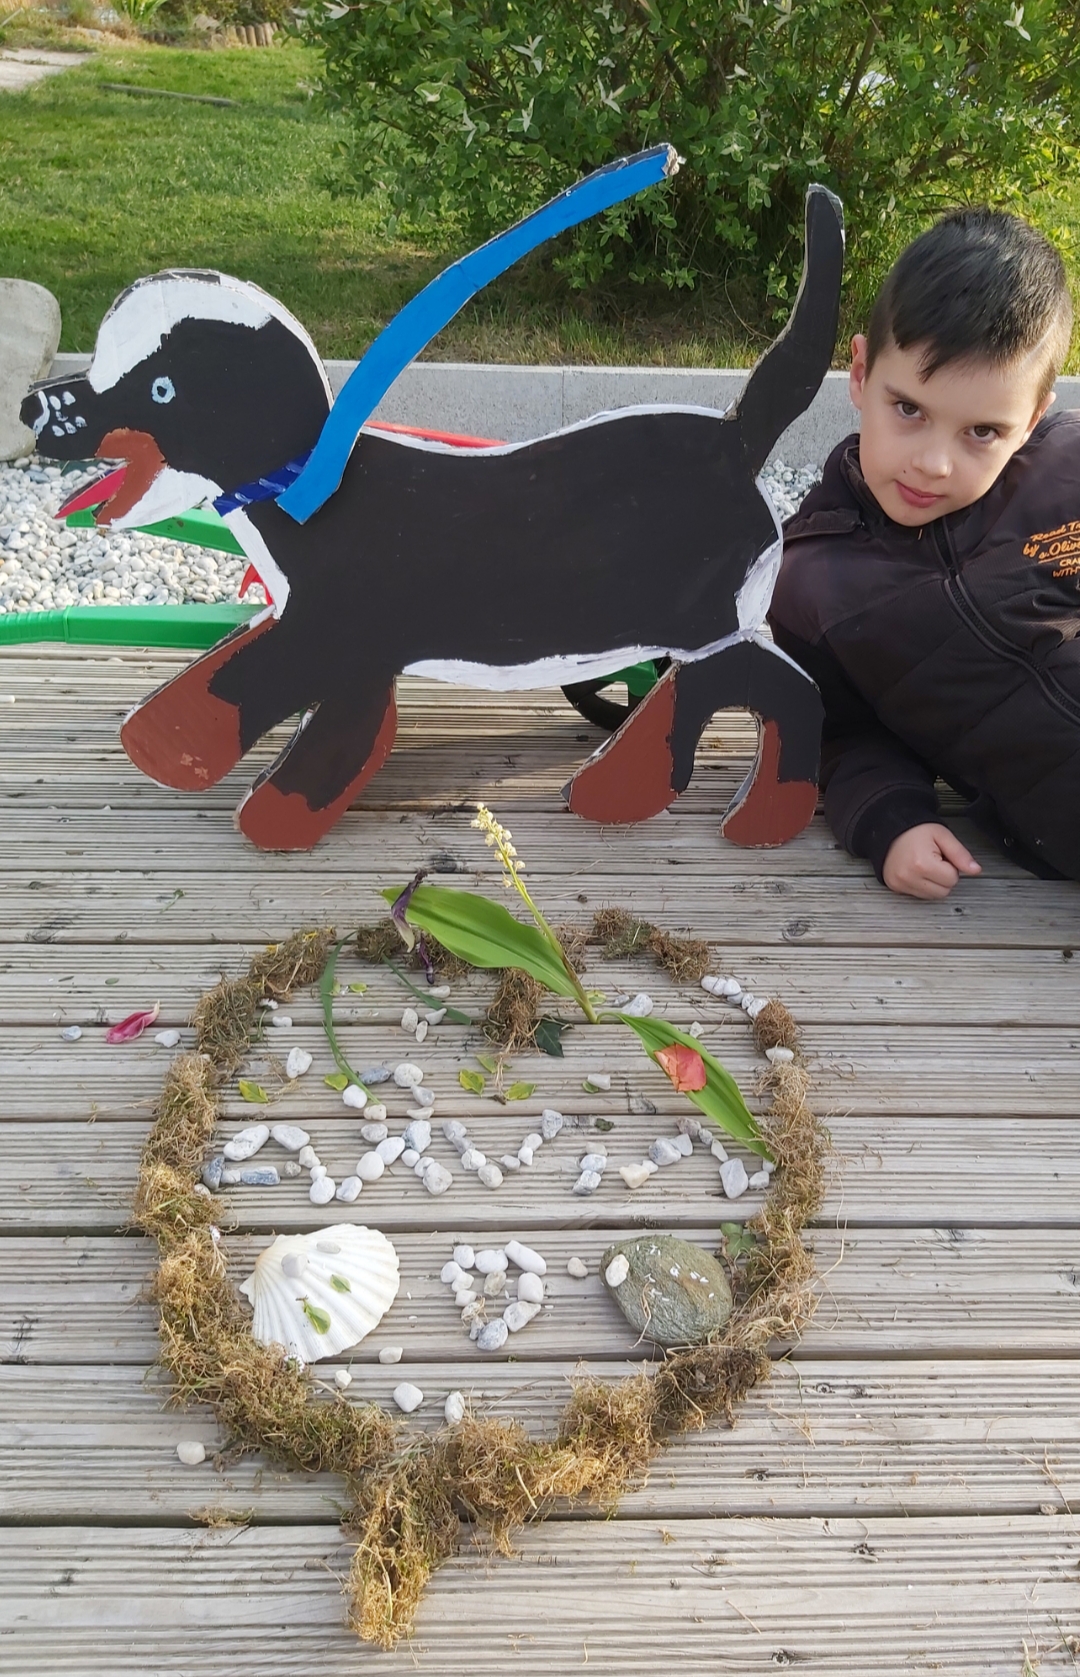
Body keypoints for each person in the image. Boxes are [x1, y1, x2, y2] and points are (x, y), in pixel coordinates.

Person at [768, 207, 1077, 898]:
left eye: (982, 432)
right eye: (909, 409)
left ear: (1031, 418)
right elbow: (841, 736)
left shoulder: (1067, 473)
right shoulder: (812, 579)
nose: (934, 464)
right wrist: (892, 822)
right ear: (859, 372)